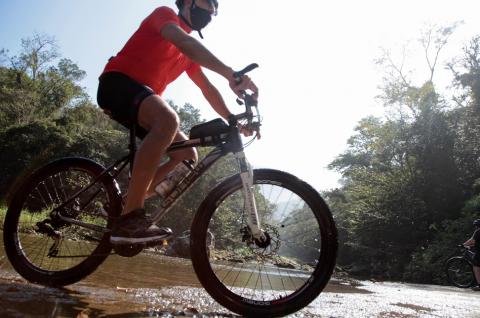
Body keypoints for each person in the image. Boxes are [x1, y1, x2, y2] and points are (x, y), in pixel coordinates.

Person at [97, 0, 258, 245]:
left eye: (214, 11)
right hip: (116, 83)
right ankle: (131, 216)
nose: (210, 12)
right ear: (188, 3)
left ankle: (129, 201)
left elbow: (208, 90)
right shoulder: (165, 15)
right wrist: (230, 73)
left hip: (140, 100)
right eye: (207, 5)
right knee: (168, 119)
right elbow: (185, 42)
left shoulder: (189, 55)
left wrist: (233, 119)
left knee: (187, 155)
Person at [463, 219, 480, 291]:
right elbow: (476, 242)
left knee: (476, 267)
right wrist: (472, 245)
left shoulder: (478, 231)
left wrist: (463, 244)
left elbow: (471, 240)